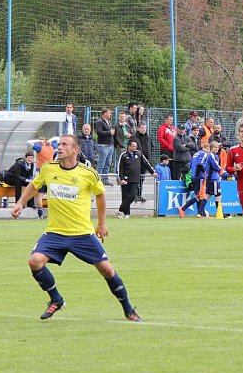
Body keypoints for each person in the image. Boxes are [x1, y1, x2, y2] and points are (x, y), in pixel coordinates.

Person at [11, 134, 141, 322]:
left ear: (75, 150)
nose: (59, 147)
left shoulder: (88, 173)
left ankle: (129, 309)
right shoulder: (48, 169)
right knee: (35, 262)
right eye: (59, 144)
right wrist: (21, 203)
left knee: (107, 270)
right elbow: (34, 185)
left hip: (82, 234)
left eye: (64, 144)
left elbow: (100, 196)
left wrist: (102, 223)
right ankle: (56, 299)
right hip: (55, 232)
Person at [116, 140, 155, 218]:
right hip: (126, 179)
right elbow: (119, 168)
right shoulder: (123, 155)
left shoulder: (139, 154)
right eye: (133, 146)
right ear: (129, 146)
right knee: (125, 197)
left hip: (135, 179)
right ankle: (126, 214)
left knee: (132, 196)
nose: (135, 148)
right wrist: (121, 178)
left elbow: (146, 163)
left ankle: (119, 210)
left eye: (136, 146)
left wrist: (152, 172)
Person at [178, 143, 210, 218]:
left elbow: (191, 164)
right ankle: (183, 208)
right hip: (199, 177)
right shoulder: (203, 154)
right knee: (200, 196)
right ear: (207, 148)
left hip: (193, 176)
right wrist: (204, 172)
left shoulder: (196, 154)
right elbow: (200, 164)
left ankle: (200, 213)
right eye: (209, 150)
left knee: (198, 195)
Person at [95, 108, 116, 182]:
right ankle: (98, 180)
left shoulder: (109, 122)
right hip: (103, 146)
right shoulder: (99, 122)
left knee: (108, 163)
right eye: (109, 113)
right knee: (101, 164)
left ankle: (105, 179)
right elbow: (99, 132)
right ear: (104, 113)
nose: (110, 114)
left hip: (110, 145)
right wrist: (109, 132)